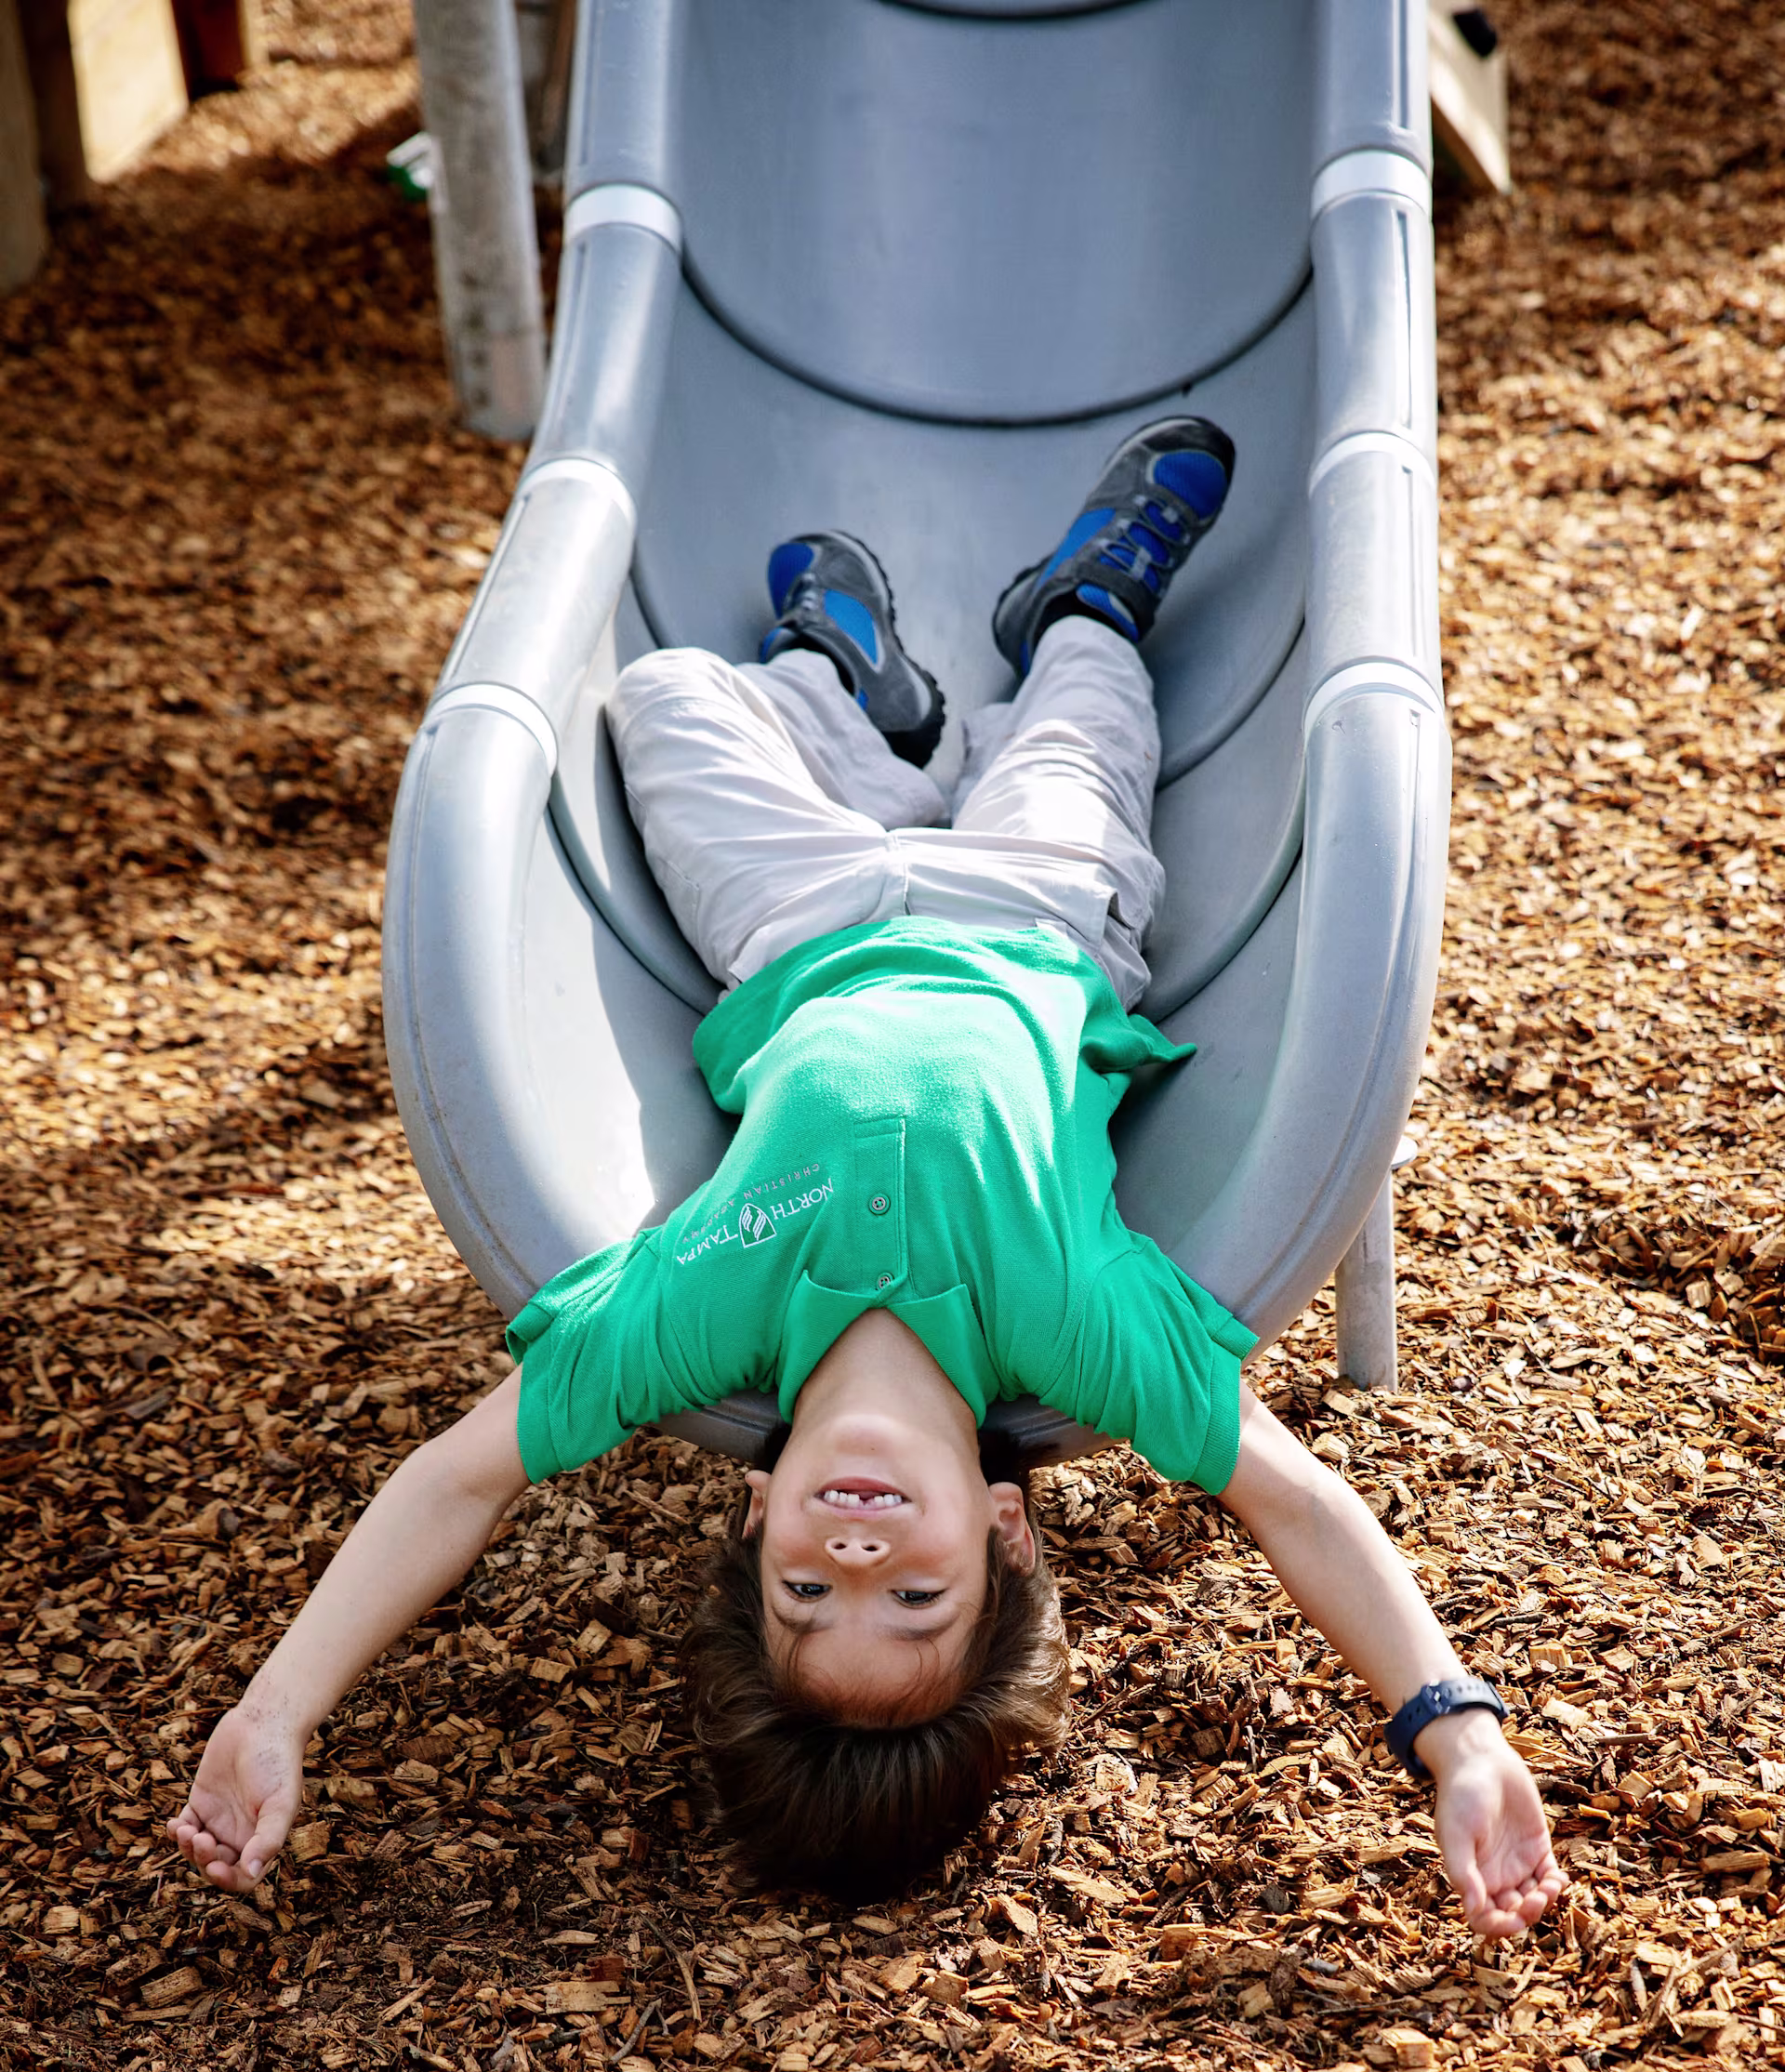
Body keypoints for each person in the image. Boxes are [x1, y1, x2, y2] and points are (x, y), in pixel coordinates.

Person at [171, 419, 1565, 1934]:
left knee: (662, 698)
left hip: (804, 930)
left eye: (804, 1594)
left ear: (753, 1515)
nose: (855, 1557)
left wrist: (278, 1706)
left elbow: (459, 1478)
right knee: (1088, 720)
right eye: (915, 1598)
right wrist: (1457, 1730)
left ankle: (853, 690)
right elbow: (1298, 1504)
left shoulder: (702, 1313)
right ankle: (1076, 606)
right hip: (1043, 920)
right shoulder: (1073, 1326)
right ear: (1005, 1531)